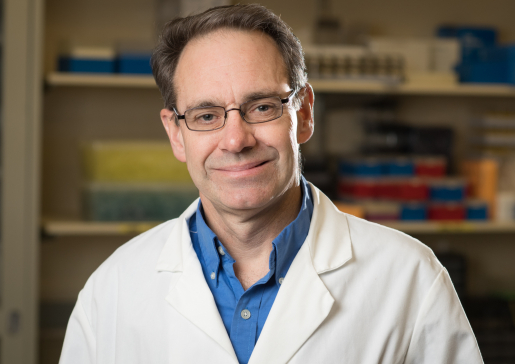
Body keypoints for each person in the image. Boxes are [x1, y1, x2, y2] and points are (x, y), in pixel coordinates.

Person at [60, 4, 483, 364]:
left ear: (305, 113)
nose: (236, 140)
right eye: (206, 115)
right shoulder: (113, 287)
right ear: (176, 133)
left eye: (261, 107)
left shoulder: (409, 278)